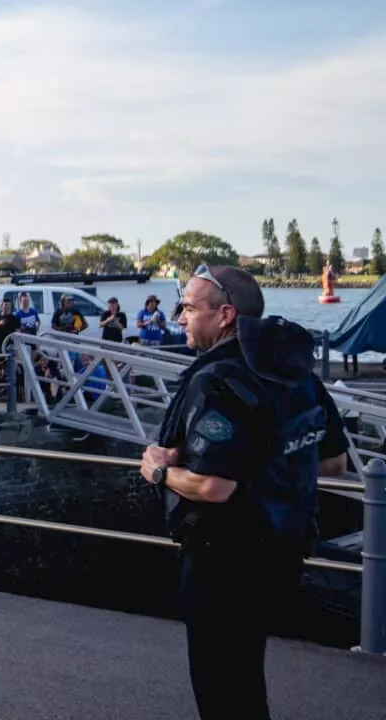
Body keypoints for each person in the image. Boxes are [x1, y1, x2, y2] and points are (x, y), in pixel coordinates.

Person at [139, 265, 348, 720]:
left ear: (226, 315)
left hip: (221, 559)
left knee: (220, 688)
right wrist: (269, 468)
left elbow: (213, 487)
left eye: (190, 308)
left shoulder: (216, 381)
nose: (180, 318)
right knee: (247, 677)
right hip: (282, 549)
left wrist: (157, 471)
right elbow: (335, 461)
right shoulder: (295, 373)